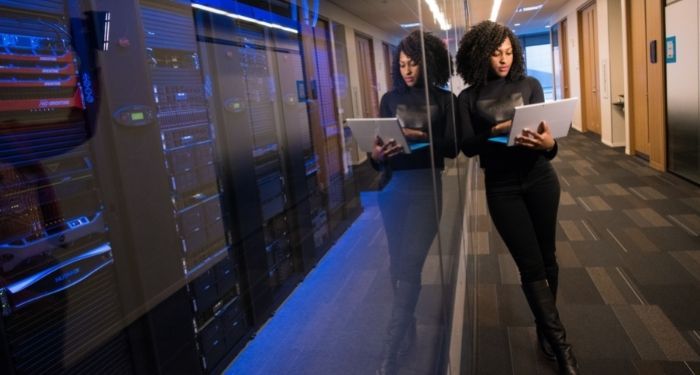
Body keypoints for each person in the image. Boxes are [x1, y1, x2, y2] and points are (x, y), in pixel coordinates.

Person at [455, 21, 578, 374]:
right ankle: (561, 346)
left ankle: (545, 329)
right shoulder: (468, 98)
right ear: (480, 55)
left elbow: (547, 146)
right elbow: (467, 146)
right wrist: (495, 130)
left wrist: (550, 144)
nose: (504, 59)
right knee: (530, 265)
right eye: (496, 54)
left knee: (548, 256)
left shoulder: (531, 85)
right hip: (502, 187)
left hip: (541, 180)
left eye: (509, 52)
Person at [370, 30, 458, 375]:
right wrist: (377, 155)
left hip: (426, 189)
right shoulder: (389, 100)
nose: (407, 70)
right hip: (393, 189)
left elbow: (453, 149)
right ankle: (407, 332)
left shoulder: (444, 99)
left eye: (413, 63)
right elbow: (378, 158)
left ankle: (390, 349)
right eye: (402, 64)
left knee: (409, 264)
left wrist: (424, 137)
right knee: (396, 265)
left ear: (428, 62)